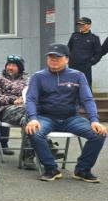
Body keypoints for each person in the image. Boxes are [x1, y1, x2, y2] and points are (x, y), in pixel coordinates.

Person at [25, 43, 107, 182]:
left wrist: (94, 120)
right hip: (46, 117)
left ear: (67, 59)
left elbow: (87, 99)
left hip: (71, 118)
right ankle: (51, 168)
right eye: (51, 57)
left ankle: (82, 169)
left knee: (99, 134)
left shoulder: (78, 76)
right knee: (34, 132)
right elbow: (31, 99)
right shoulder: (38, 76)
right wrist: (33, 118)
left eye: (58, 57)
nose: (54, 59)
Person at [0, 55, 29, 162]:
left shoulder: (27, 80)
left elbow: (33, 94)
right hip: (4, 110)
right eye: (9, 65)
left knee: (28, 119)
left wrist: (24, 98)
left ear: (20, 68)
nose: (10, 67)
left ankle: (29, 155)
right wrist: (13, 100)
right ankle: (46, 149)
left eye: (13, 65)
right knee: (31, 116)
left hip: (25, 110)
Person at [67, 17, 102, 88]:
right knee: (71, 86)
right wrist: (68, 60)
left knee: (85, 86)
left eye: (83, 24)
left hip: (85, 67)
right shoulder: (74, 35)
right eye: (79, 24)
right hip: (72, 66)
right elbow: (68, 49)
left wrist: (91, 62)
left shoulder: (94, 38)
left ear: (89, 25)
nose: (81, 26)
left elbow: (98, 53)